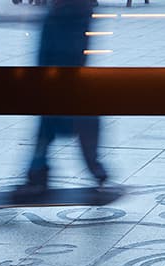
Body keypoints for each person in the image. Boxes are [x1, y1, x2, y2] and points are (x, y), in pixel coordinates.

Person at [17, 0, 109, 195]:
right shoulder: (74, 16)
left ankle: (38, 173)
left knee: (51, 126)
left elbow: (53, 54)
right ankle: (95, 170)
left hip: (58, 82)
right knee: (67, 124)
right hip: (63, 82)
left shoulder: (62, 18)